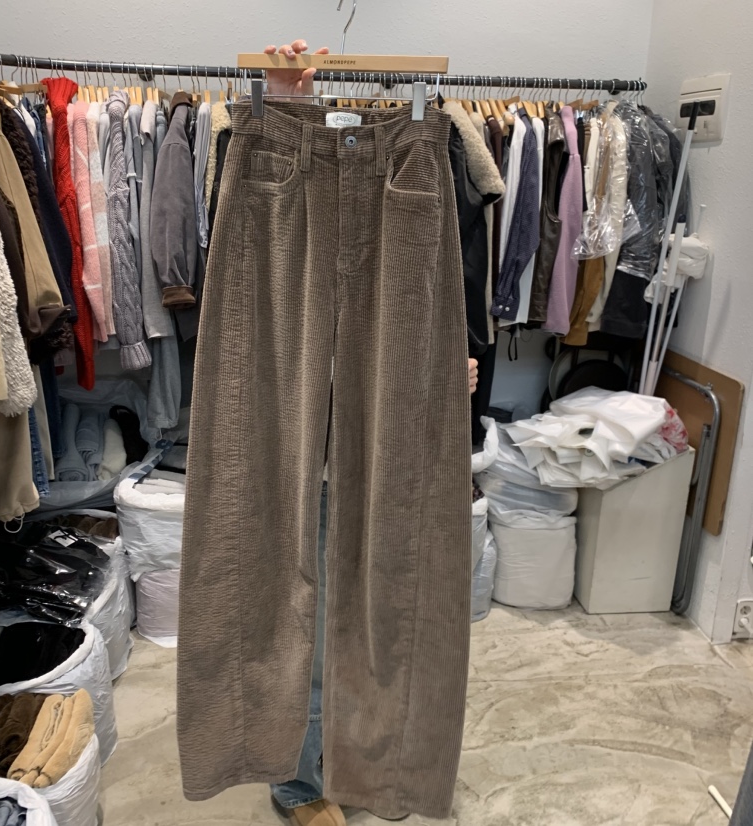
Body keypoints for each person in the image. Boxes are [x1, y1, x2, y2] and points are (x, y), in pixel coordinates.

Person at [261, 40, 479, 826]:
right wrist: (286, 105)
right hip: (303, 438)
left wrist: (447, 360)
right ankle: (302, 780)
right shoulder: (265, 155)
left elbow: (451, 278)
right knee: (305, 610)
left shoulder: (431, 148)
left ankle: (369, 769)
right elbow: (267, 292)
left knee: (385, 603)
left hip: (395, 419)